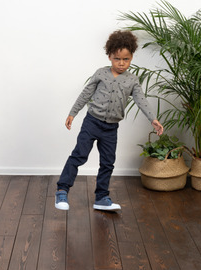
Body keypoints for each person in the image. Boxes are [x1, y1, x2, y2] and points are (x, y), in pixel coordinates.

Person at [55, 30, 164, 211]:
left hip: (111, 128)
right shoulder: (100, 74)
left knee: (107, 162)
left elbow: (141, 100)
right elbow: (85, 94)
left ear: (131, 58)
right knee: (79, 155)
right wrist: (72, 113)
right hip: (92, 123)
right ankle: (62, 190)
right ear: (109, 57)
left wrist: (153, 118)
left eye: (126, 59)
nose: (121, 63)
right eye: (117, 59)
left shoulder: (132, 80)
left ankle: (101, 197)